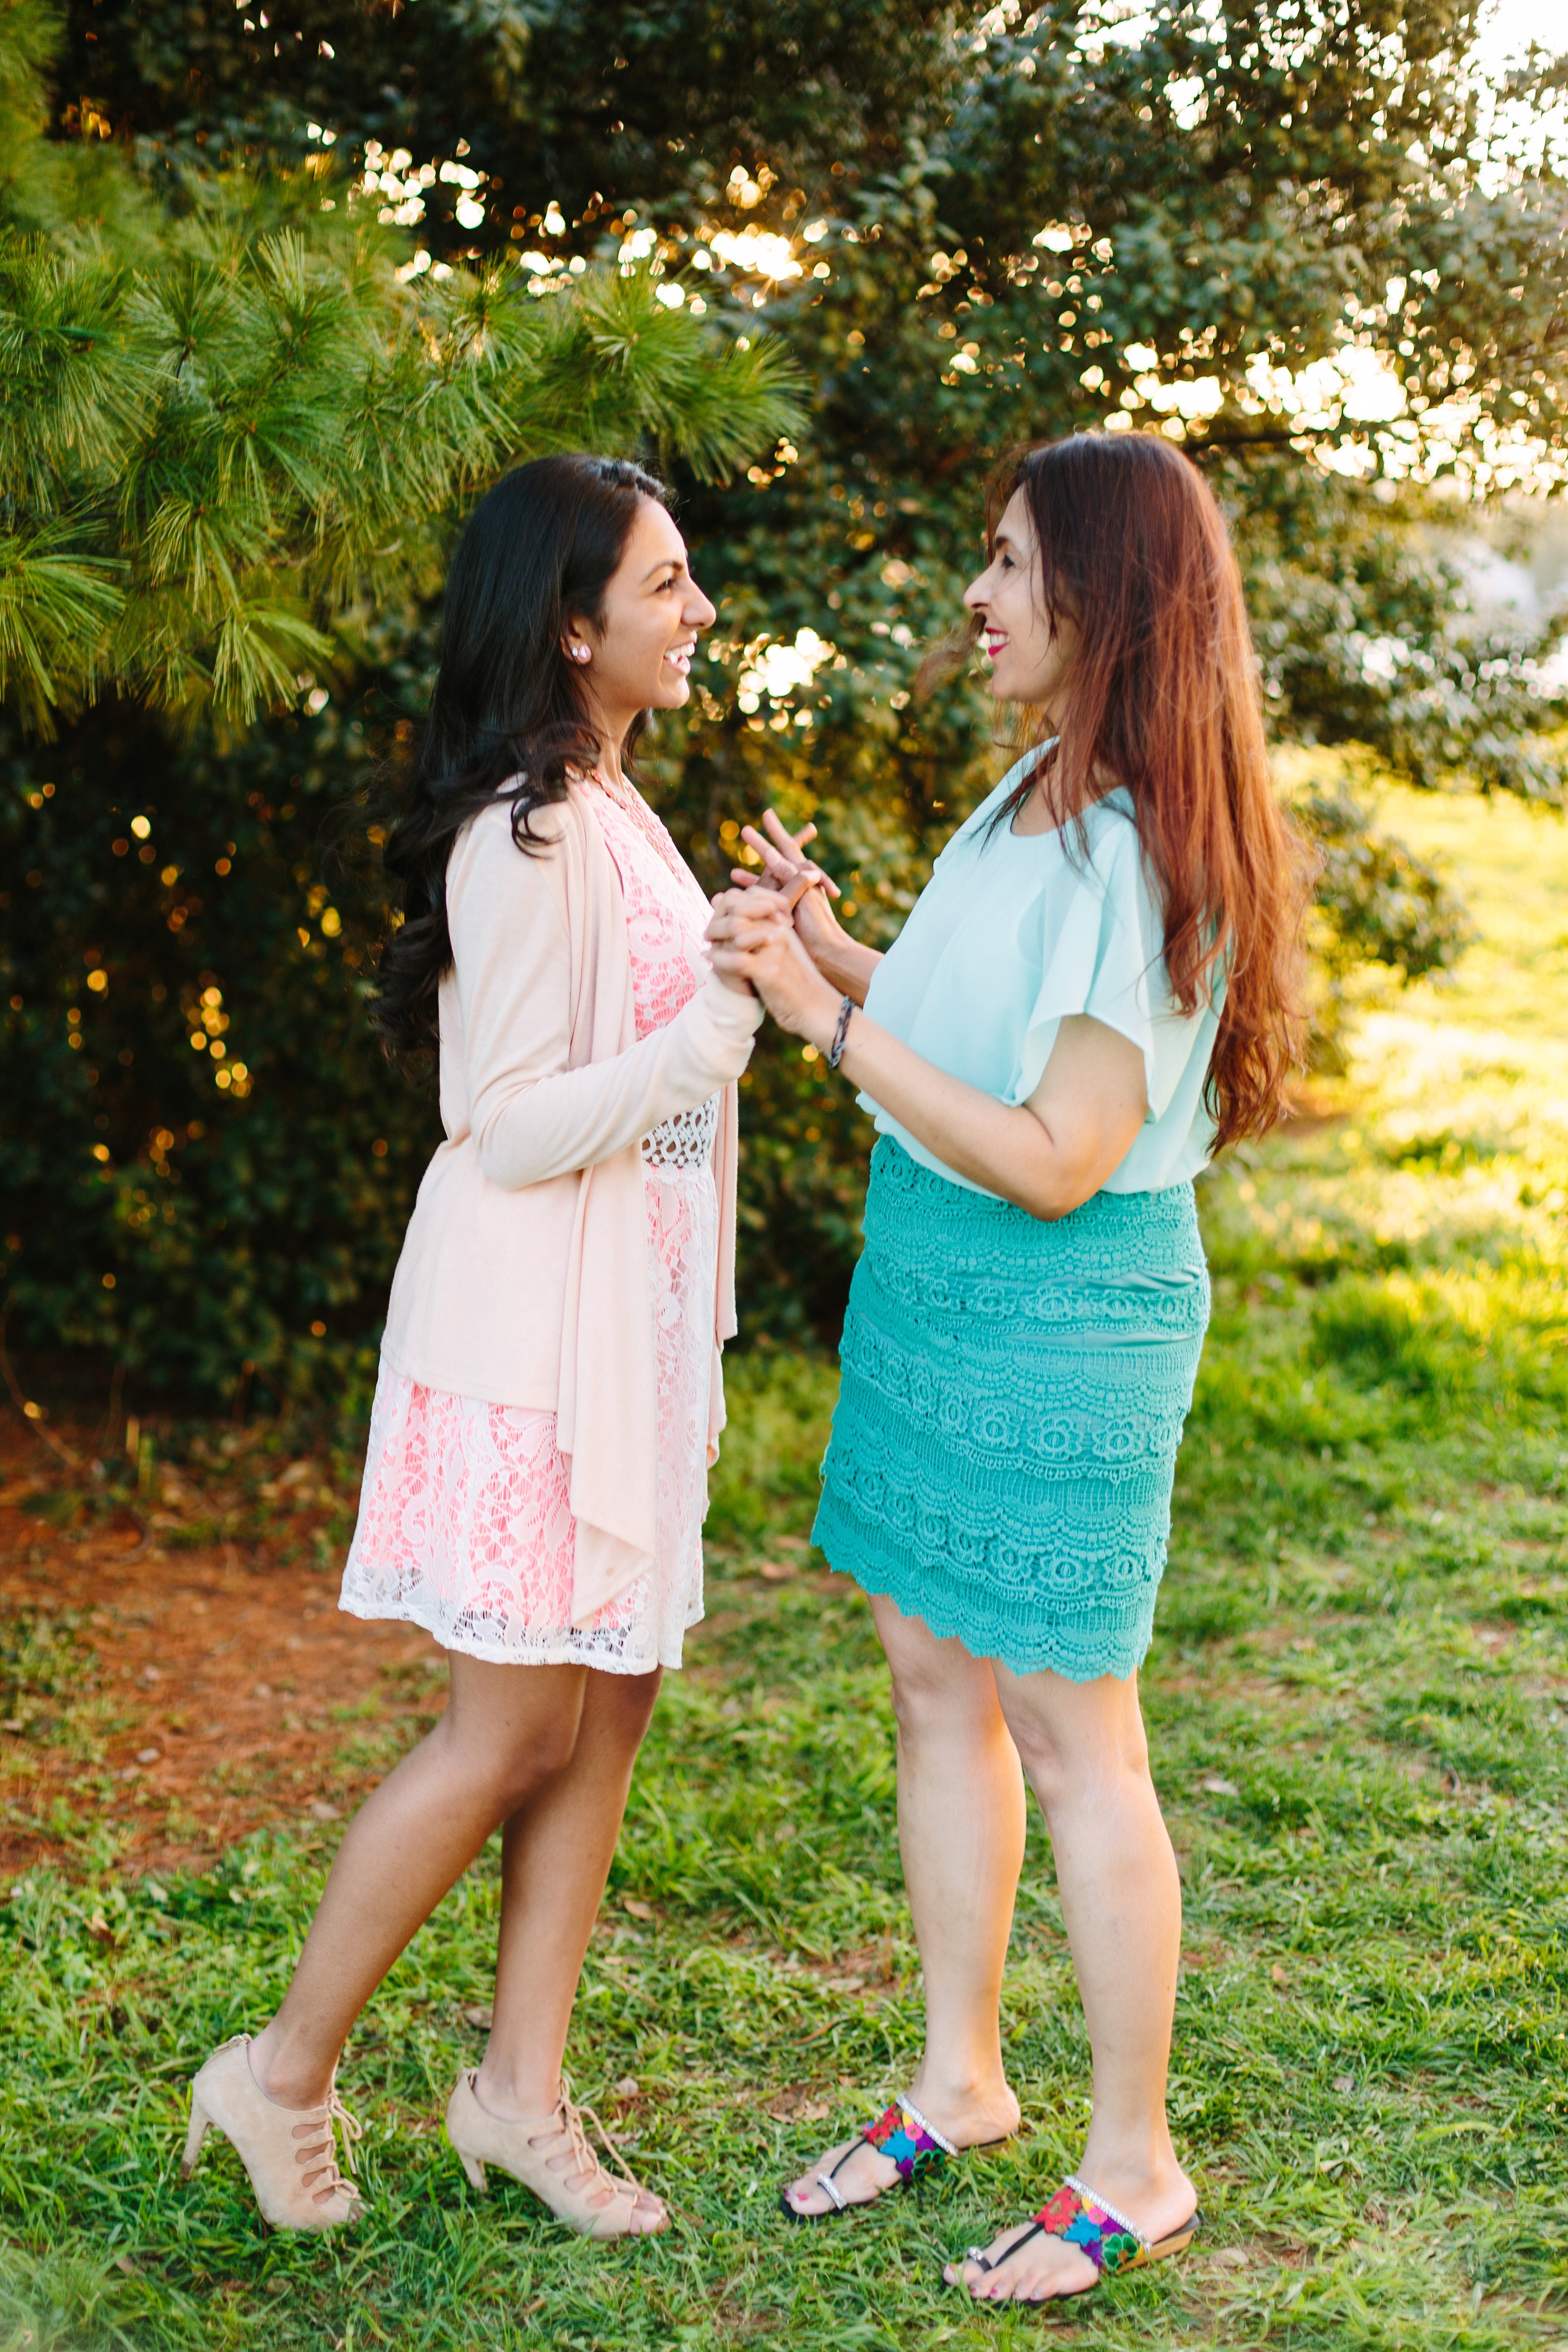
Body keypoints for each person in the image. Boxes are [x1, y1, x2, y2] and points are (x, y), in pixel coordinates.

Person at [706, 431, 1310, 2306]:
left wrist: (815, 1024)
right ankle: (957, 2081)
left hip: (1061, 1308)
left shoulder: (1140, 852)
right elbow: (972, 1031)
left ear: (1101, 598)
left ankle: (1132, 2161)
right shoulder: (1029, 791)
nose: (969, 597)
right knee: (924, 1675)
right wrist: (839, 950)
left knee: (1071, 1734)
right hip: (935, 1279)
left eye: (1002, 564)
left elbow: (1055, 1152)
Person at [182, 454, 763, 2240]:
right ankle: (274, 2073)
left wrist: (743, 959)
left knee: (603, 1716)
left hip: (630, 1322)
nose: (699, 610)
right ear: (571, 621)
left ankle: (518, 2091)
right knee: (506, 1725)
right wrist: (714, 1031)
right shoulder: (521, 829)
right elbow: (500, 1117)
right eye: (666, 583)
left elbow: (654, 1098)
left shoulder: (617, 807)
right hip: (530, 1335)